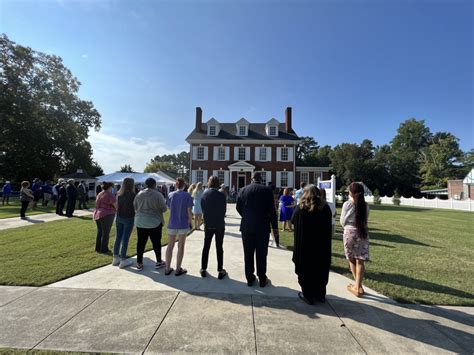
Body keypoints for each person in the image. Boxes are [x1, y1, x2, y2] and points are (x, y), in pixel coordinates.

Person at [236, 172, 279, 287]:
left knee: (248, 253)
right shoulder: (266, 191)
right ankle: (262, 278)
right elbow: (272, 211)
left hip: (247, 226)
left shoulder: (243, 190)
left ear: (251, 179)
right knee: (262, 253)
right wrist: (275, 227)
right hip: (262, 227)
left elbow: (238, 207)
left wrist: (246, 216)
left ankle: (250, 278)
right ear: (261, 179)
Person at [292, 185, 332, 305]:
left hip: (305, 247)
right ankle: (320, 295)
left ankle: (308, 295)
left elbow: (293, 220)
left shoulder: (301, 208)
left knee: (305, 271)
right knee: (321, 270)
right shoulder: (325, 208)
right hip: (321, 247)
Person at [340, 182, 370, 298]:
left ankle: (357, 287)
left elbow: (343, 221)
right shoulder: (366, 205)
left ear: (351, 193)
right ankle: (359, 286)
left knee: (351, 259)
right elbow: (366, 220)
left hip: (350, 232)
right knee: (360, 260)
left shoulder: (348, 204)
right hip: (362, 232)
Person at [133, 177, 167, 271]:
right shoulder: (158, 194)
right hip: (154, 221)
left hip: (140, 221)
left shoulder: (139, 194)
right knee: (156, 242)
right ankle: (158, 262)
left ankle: (139, 263)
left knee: (140, 243)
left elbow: (135, 206)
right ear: (154, 185)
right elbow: (164, 209)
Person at [165, 177, 193, 276]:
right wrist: (191, 221)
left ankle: (167, 268)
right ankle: (177, 269)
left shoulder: (170, 195)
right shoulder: (187, 195)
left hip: (172, 223)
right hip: (183, 224)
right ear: (184, 185)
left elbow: (168, 207)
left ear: (176, 185)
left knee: (170, 246)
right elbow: (189, 211)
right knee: (181, 246)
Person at [200, 176, 227, 279]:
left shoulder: (204, 194)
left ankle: (203, 269)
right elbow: (224, 211)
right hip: (219, 224)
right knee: (219, 247)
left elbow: (203, 209)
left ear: (209, 183)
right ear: (218, 184)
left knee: (206, 246)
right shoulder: (222, 195)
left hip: (208, 224)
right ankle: (220, 270)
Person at [112, 178, 136, 268]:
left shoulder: (119, 194)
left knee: (118, 238)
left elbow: (117, 207)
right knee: (125, 239)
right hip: (128, 218)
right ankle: (123, 259)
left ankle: (115, 258)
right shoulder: (133, 194)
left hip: (119, 217)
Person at [93, 182, 116, 253]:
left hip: (98, 214)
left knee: (100, 231)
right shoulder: (110, 195)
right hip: (107, 214)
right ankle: (104, 249)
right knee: (105, 233)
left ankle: (98, 248)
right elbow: (115, 205)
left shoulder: (100, 194)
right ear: (109, 187)